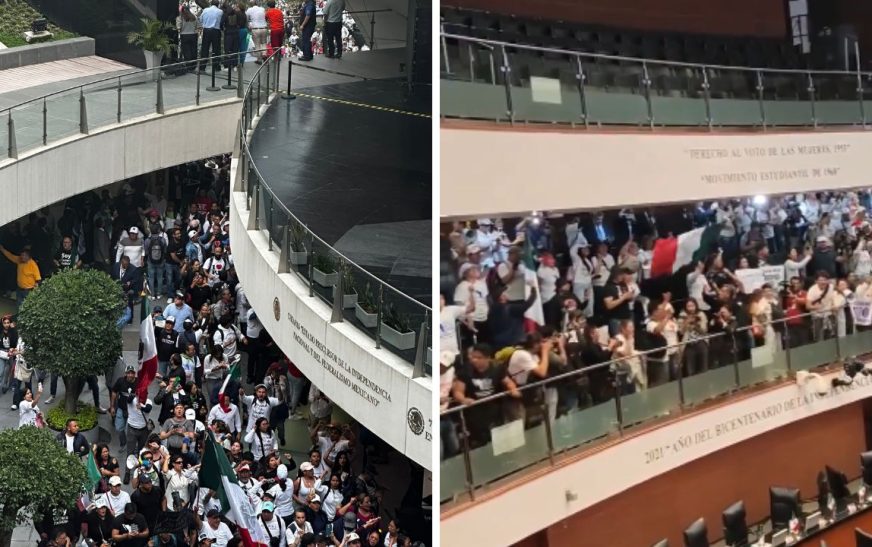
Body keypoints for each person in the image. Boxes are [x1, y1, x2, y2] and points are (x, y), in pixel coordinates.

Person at [199, 0, 224, 73]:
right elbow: (221, 21)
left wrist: (205, 23)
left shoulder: (205, 10)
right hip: (216, 31)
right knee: (216, 49)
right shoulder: (220, 11)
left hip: (206, 30)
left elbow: (200, 19)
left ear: (211, 3)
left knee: (205, 48)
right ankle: (216, 66)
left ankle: (202, 67)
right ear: (218, 4)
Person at [179, 5, 199, 71]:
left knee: (186, 51)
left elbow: (179, 27)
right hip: (193, 35)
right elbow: (198, 26)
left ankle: (188, 66)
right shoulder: (194, 17)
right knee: (193, 50)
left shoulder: (181, 18)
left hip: (184, 35)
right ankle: (193, 66)